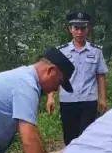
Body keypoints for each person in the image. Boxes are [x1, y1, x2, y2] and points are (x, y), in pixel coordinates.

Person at [46, 11, 108, 144]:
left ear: (88, 29)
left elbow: (100, 76)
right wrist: (51, 97)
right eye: (76, 28)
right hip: (68, 100)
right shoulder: (61, 51)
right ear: (70, 30)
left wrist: (102, 98)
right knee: (70, 137)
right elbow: (53, 76)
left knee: (87, 136)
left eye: (83, 28)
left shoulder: (96, 51)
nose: (79, 32)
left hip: (89, 100)